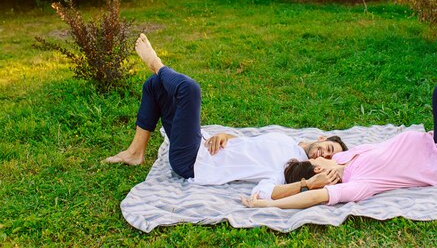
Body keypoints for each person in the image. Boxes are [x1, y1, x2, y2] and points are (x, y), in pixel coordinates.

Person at [105, 34, 348, 200]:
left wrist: (306, 184)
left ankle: (155, 62)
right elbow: (249, 146)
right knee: (155, 86)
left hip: (193, 162)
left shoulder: (293, 168)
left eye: (329, 157)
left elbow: (265, 191)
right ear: (321, 137)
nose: (324, 154)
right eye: (328, 148)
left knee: (189, 89)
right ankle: (136, 152)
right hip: (202, 144)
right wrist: (225, 135)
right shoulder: (288, 142)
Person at [241, 76, 437, 209]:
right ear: (318, 170)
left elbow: (304, 143)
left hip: (433, 141)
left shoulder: (342, 158)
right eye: (313, 158)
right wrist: (264, 206)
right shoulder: (358, 182)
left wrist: (298, 170)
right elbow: (315, 196)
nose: (315, 154)